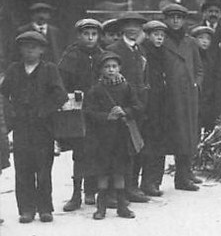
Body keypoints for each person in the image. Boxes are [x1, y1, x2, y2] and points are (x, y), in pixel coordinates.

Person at [1, 31, 66, 223]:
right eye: (25, 47)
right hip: (21, 127)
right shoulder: (14, 70)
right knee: (23, 168)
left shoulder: (49, 69)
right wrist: (11, 113)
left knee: (44, 168)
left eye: (34, 47)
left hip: (43, 128)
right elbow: (3, 95)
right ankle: (26, 209)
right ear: (20, 50)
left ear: (42, 50)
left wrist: (44, 110)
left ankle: (45, 208)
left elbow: (60, 95)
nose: (30, 50)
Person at [83, 50, 144, 220]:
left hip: (121, 137)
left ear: (120, 68)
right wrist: (106, 116)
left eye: (114, 66)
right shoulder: (96, 89)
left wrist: (125, 111)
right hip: (102, 138)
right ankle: (101, 206)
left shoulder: (126, 87)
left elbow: (138, 107)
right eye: (107, 67)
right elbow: (88, 112)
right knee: (103, 171)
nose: (111, 70)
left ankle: (122, 206)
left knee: (120, 171)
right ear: (101, 69)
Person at [57, 18, 103, 211]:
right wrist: (71, 93)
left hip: (99, 111)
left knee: (97, 150)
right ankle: (76, 193)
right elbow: (60, 82)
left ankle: (91, 190)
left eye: (94, 34)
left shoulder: (103, 55)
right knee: (80, 152)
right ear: (79, 35)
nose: (90, 38)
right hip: (79, 112)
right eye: (86, 34)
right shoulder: (71, 56)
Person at [107, 13, 150, 203]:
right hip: (121, 108)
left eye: (137, 26)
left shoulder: (140, 49)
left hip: (139, 106)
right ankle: (115, 191)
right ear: (122, 28)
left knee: (136, 147)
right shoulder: (113, 49)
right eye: (129, 25)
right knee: (118, 150)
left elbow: (144, 76)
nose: (133, 28)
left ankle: (132, 186)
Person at [161, 3, 203, 191]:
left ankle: (185, 174)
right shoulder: (161, 40)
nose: (176, 21)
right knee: (175, 136)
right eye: (172, 17)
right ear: (166, 19)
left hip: (188, 96)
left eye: (179, 17)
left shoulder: (190, 42)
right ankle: (179, 178)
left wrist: (196, 83)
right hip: (169, 95)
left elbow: (199, 68)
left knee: (189, 135)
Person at [139, 20, 168, 197]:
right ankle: (147, 182)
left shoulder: (163, 52)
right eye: (155, 35)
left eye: (162, 35)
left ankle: (155, 181)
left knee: (159, 142)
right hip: (148, 104)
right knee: (148, 144)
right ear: (148, 36)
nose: (159, 38)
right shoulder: (143, 52)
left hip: (161, 103)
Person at [192, 25, 218, 136]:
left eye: (208, 39)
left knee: (209, 124)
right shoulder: (192, 56)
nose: (204, 41)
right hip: (196, 95)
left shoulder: (212, 57)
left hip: (209, 96)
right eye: (201, 38)